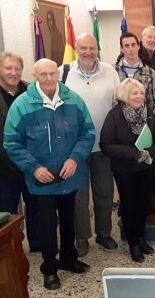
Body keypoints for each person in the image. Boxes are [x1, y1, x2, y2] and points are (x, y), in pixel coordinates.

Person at [4, 58, 94, 290]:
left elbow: (87, 133)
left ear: (58, 74)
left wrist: (75, 158)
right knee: (46, 224)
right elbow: (12, 142)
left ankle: (68, 258)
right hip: (41, 178)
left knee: (68, 220)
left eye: (52, 73)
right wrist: (34, 167)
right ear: (34, 76)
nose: (48, 79)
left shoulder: (73, 99)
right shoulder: (22, 105)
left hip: (69, 174)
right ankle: (49, 268)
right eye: (42, 74)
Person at [60, 33, 120, 257]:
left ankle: (104, 234)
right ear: (76, 48)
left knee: (104, 193)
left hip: (104, 147)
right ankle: (82, 238)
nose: (87, 52)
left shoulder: (110, 72)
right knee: (79, 195)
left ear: (97, 49)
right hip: (74, 148)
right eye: (83, 48)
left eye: (91, 48)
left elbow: (117, 103)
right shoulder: (63, 72)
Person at [100, 78, 155, 263]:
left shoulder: (149, 112)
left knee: (143, 204)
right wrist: (134, 154)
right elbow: (106, 145)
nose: (139, 96)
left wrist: (149, 152)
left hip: (145, 167)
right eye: (135, 93)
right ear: (125, 95)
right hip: (125, 169)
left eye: (141, 93)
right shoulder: (115, 114)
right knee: (129, 206)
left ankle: (141, 238)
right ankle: (133, 243)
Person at [0, 52, 39, 251]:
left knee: (36, 208)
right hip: (3, 168)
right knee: (7, 213)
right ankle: (12, 251)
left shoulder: (31, 92)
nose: (13, 73)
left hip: (30, 165)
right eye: (8, 68)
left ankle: (38, 246)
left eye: (17, 68)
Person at [115, 32, 155, 114]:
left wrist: (149, 119)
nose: (131, 49)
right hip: (119, 119)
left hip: (143, 119)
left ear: (138, 46)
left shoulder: (150, 72)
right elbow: (112, 99)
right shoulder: (113, 70)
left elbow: (154, 102)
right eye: (126, 46)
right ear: (121, 49)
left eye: (133, 45)